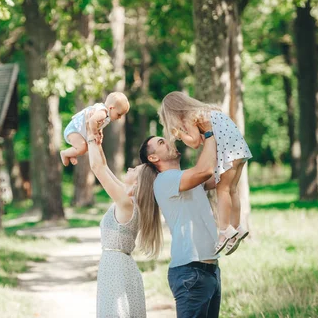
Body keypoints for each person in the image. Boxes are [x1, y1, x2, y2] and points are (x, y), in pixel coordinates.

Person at [139, 116, 221, 318]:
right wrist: (208, 133)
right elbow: (205, 170)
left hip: (210, 269)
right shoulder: (165, 181)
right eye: (161, 142)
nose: (168, 141)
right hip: (191, 273)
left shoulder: (186, 178)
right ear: (153, 158)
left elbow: (219, 175)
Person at [158, 91, 252, 254]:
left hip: (227, 150)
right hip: (238, 147)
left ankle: (224, 230)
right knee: (232, 190)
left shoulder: (189, 117)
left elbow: (194, 142)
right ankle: (237, 227)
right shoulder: (204, 111)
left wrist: (180, 133)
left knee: (222, 189)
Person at [86, 117, 159, 318]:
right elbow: (103, 166)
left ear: (138, 183)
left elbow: (97, 169)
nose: (130, 168)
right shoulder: (127, 200)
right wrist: (98, 142)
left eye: (135, 170)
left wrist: (90, 134)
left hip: (116, 268)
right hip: (120, 266)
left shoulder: (127, 204)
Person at [61, 92, 130, 166]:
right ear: (111, 108)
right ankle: (65, 153)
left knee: (86, 147)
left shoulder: (104, 113)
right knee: (82, 148)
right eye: (119, 114)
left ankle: (72, 153)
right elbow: (92, 121)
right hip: (74, 129)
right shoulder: (102, 113)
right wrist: (95, 134)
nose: (119, 117)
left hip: (78, 131)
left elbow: (97, 124)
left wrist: (99, 131)